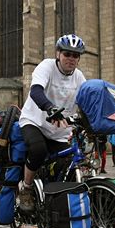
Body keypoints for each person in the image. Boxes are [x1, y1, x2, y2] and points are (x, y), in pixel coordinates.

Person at [18, 34, 86, 212]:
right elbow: (36, 91)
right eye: (67, 54)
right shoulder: (46, 66)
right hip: (35, 121)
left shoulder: (79, 77)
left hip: (59, 131)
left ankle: (52, 203)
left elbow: (87, 102)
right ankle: (26, 188)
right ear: (58, 54)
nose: (71, 58)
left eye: (75, 55)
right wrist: (49, 108)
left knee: (66, 164)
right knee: (38, 150)